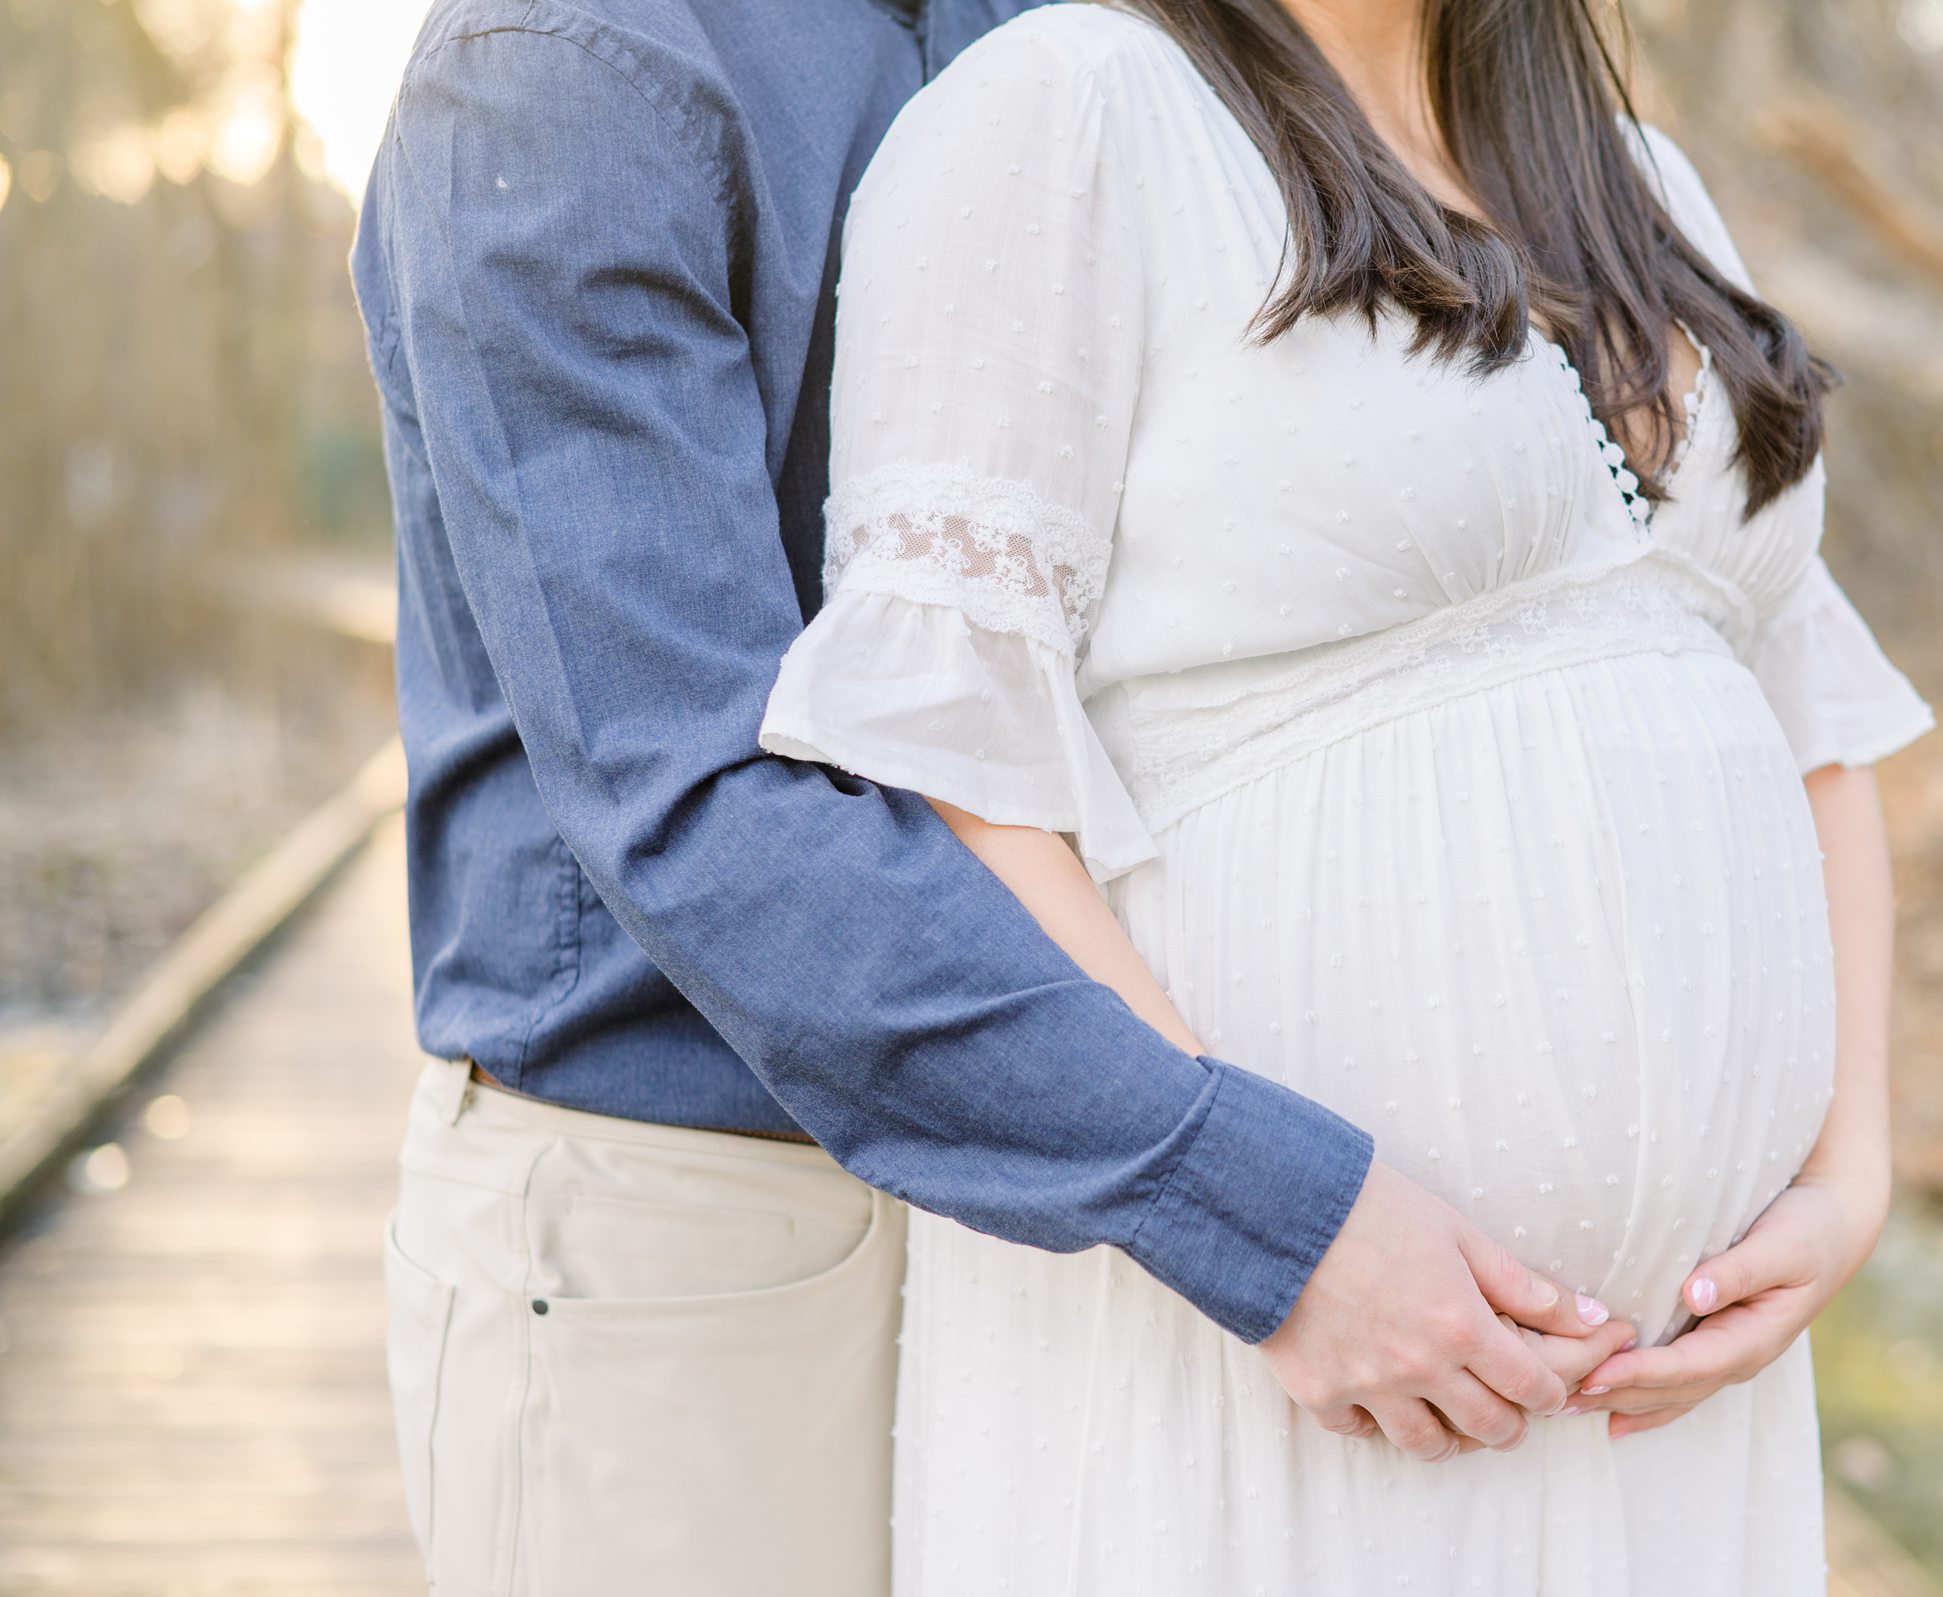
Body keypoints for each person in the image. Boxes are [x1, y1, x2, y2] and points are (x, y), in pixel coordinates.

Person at [349, 0, 1622, 1591]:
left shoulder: (1093, 34)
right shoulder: (564, 70)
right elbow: (698, 796)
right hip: (702, 1210)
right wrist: (1261, 1207)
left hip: (1088, 1212)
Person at [758, 0, 1936, 1589]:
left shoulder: (1636, 179)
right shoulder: (1069, 110)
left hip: (1676, 1398)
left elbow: (1813, 718)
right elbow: (949, 769)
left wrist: (1849, 1175)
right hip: (1274, 1351)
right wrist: (1276, 1229)